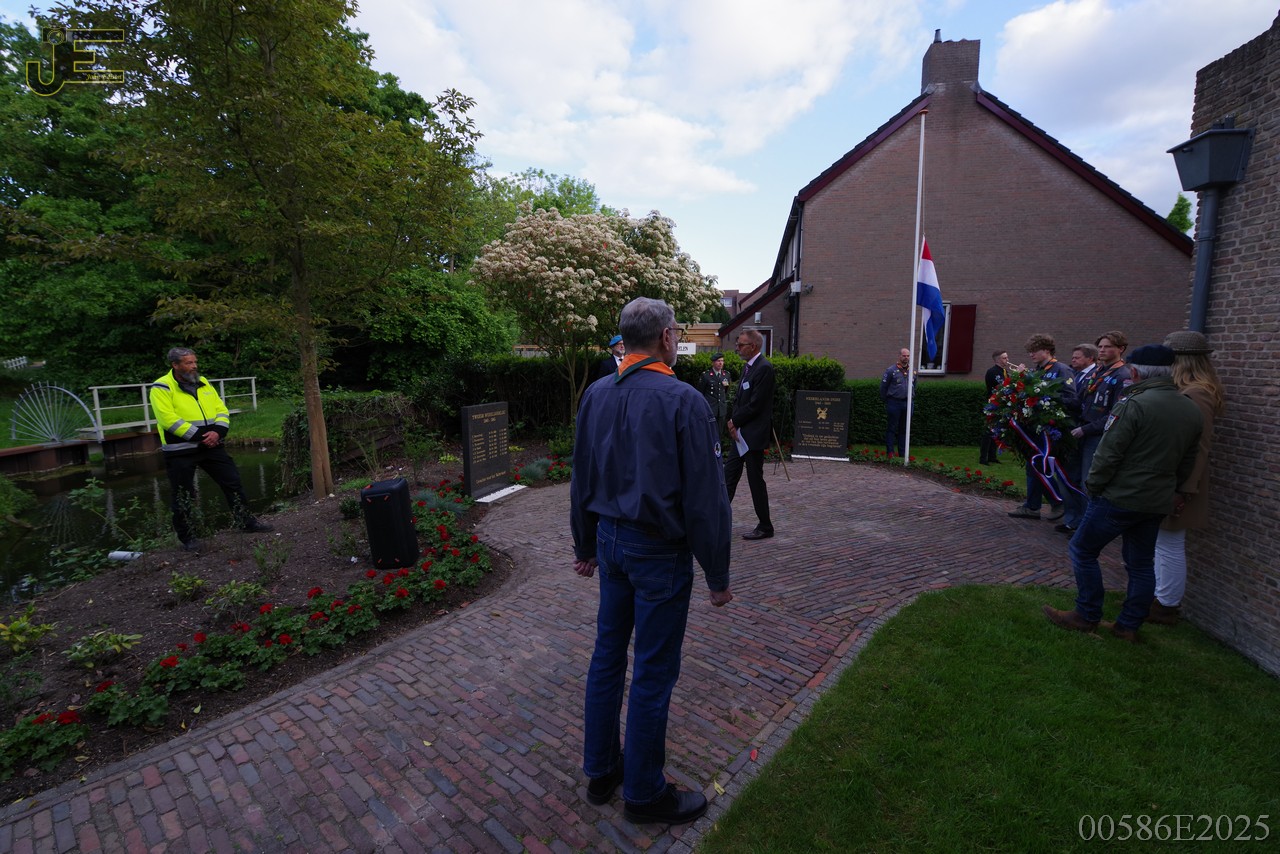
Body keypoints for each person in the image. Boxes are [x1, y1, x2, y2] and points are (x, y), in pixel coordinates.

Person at [570, 297, 733, 826]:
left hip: (611, 543)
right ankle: (643, 793)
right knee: (653, 671)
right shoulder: (684, 401)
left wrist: (585, 545)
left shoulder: (596, 394)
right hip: (658, 552)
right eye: (677, 333)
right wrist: (718, 573)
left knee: (607, 656)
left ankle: (601, 771)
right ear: (665, 337)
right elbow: (707, 499)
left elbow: (581, 476)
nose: (677, 339)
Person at [1043, 344, 1202, 642]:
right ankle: (1128, 626)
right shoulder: (1190, 407)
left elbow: (1109, 452)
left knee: (1083, 549)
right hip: (1157, 499)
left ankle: (1086, 615)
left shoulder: (1134, 404)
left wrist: (1094, 485)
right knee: (1141, 563)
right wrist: (1177, 490)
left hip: (1120, 495)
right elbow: (1188, 458)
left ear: (1136, 372)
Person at [149, 348, 273, 551]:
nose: (194, 366)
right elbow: (168, 419)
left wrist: (218, 432)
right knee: (183, 494)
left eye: (195, 362)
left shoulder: (203, 382)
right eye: (189, 363)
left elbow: (221, 410)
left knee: (232, 481)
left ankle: (246, 522)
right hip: (181, 450)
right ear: (175, 365)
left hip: (212, 445)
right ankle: (187, 538)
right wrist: (201, 437)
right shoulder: (161, 387)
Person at [1149, 331, 1226, 626]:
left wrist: (1184, 488)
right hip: (1173, 479)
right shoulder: (1188, 390)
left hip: (1180, 483)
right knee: (1162, 541)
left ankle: (1166, 606)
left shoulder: (1197, 394)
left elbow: (1199, 446)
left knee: (1169, 542)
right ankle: (1159, 597)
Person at [1060, 332, 1130, 534]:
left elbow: (1115, 414)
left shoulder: (1122, 376)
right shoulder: (1097, 372)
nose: (1102, 350)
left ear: (1121, 349)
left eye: (1108, 347)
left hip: (1096, 436)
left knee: (1088, 482)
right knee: (1070, 478)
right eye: (1100, 347)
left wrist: (1085, 429)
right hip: (1080, 432)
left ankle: (1087, 528)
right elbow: (1079, 401)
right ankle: (1074, 521)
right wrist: (1049, 398)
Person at [1008, 334, 1074, 521]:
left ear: (1046, 350)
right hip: (1036, 428)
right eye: (1029, 351)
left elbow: (1071, 398)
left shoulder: (1061, 369)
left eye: (1034, 350)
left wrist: (1048, 403)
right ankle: (1034, 506)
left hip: (1052, 429)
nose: (1031, 354)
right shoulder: (1037, 370)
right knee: (1034, 465)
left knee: (1045, 466)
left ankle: (1058, 503)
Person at [724, 328, 776, 540]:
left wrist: (733, 421)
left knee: (755, 481)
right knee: (728, 476)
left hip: (752, 437)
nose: (737, 348)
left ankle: (765, 526)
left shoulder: (764, 369)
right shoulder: (748, 367)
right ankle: (717, 519)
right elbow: (740, 401)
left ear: (753, 346)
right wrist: (733, 423)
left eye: (741, 344)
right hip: (740, 435)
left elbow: (756, 405)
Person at [1057, 342, 1100, 533]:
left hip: (1087, 431)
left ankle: (1084, 523)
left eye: (1077, 357)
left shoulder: (1095, 376)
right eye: (1073, 357)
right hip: (1072, 431)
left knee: (1084, 479)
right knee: (1069, 476)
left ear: (1090, 358)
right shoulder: (1075, 374)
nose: (1072, 360)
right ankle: (1072, 519)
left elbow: (1081, 404)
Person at [879, 347, 914, 458]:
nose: (906, 358)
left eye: (908, 356)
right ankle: (890, 452)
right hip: (894, 403)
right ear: (899, 356)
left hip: (908, 403)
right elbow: (883, 388)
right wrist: (887, 400)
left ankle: (902, 453)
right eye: (904, 355)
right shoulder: (891, 370)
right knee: (892, 428)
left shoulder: (912, 371)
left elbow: (914, 386)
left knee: (904, 429)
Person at [980, 350, 1010, 465]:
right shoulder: (992, 372)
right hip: (992, 404)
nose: (1007, 360)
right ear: (998, 360)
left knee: (996, 431)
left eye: (1007, 357)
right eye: (1004, 358)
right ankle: (983, 458)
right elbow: (1002, 386)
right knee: (988, 432)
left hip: (1000, 404)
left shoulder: (1004, 371)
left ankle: (992, 456)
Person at [697, 352, 732, 440]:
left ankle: (718, 448)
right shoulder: (706, 375)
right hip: (710, 408)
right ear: (713, 362)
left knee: (719, 433)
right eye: (718, 361)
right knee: (709, 432)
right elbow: (700, 392)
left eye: (722, 361)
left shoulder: (726, 375)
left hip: (721, 409)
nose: (721, 363)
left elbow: (726, 390)